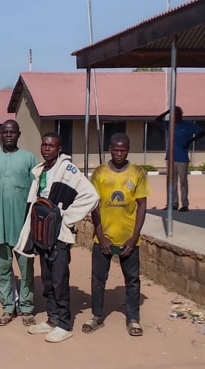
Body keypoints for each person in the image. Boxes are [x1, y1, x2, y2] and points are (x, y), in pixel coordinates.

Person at [15, 132, 99, 343]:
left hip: (58, 235)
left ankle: (64, 323)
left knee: (60, 279)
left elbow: (91, 195)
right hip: (42, 232)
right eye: (44, 145)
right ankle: (52, 319)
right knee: (48, 279)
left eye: (51, 146)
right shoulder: (42, 169)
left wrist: (66, 218)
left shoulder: (67, 170)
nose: (46, 148)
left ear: (59, 148)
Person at [85, 132, 151, 337]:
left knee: (132, 280)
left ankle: (133, 319)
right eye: (115, 149)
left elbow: (141, 206)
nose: (119, 153)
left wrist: (134, 238)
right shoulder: (99, 174)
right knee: (98, 279)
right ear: (110, 150)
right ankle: (96, 316)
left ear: (128, 150)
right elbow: (93, 207)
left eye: (123, 150)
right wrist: (101, 237)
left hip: (129, 239)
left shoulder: (138, 173)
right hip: (103, 238)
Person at [0, 119, 37, 327]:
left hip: (23, 227)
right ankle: (7, 308)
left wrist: (33, 226)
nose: (8, 135)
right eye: (5, 132)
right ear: (1, 134)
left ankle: (27, 308)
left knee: (26, 269)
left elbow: (35, 193)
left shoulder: (28, 158)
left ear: (18, 134)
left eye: (12, 132)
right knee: (2, 270)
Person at [155, 106, 205, 211]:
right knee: (171, 181)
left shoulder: (188, 125)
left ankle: (185, 204)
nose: (176, 116)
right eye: (174, 114)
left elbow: (202, 132)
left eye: (178, 113)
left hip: (182, 158)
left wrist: (190, 141)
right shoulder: (169, 124)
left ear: (181, 114)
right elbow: (157, 120)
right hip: (170, 157)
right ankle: (173, 204)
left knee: (183, 181)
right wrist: (167, 111)